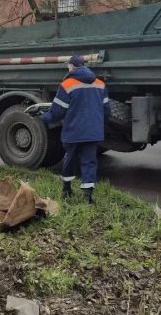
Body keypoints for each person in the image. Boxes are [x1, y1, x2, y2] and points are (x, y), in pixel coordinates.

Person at [40, 55, 110, 204]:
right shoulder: (100, 84)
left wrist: (43, 117)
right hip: (92, 132)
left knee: (70, 159)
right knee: (89, 162)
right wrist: (98, 125)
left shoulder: (67, 84)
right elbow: (106, 111)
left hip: (73, 131)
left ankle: (67, 189)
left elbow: (57, 112)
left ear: (71, 66)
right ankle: (88, 197)